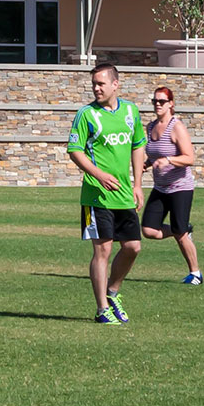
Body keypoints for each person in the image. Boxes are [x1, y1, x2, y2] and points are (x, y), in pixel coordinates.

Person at [66, 61, 146, 324]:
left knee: (133, 247)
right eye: (94, 84)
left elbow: (137, 146)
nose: (96, 88)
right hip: (95, 197)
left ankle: (112, 292)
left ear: (115, 84)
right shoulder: (86, 115)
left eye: (101, 83)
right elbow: (75, 151)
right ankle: (102, 310)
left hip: (123, 195)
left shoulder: (131, 112)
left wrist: (137, 184)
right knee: (103, 251)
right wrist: (98, 175)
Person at [139, 85, 201, 284]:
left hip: (180, 187)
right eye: (154, 101)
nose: (157, 104)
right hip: (160, 187)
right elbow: (154, 154)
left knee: (180, 233)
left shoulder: (177, 127)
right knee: (148, 230)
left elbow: (189, 158)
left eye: (162, 101)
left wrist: (168, 160)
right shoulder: (150, 127)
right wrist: (146, 164)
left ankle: (196, 274)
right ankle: (182, 228)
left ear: (171, 104)